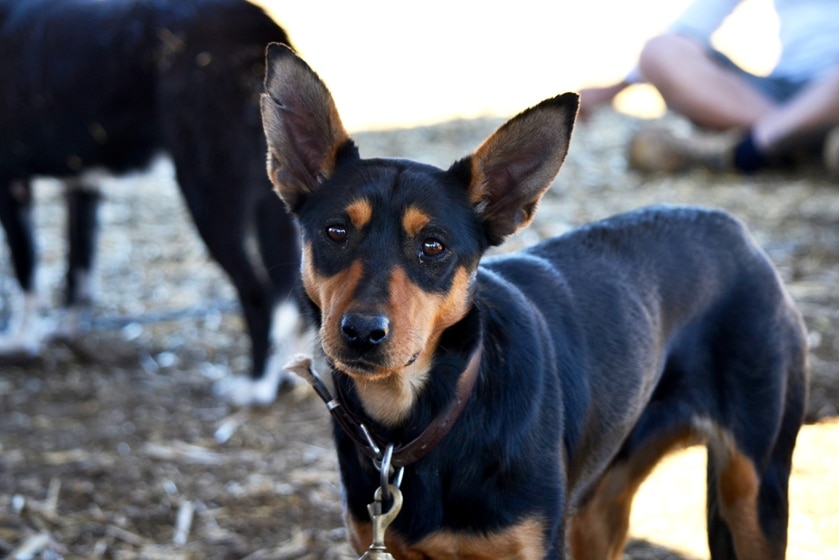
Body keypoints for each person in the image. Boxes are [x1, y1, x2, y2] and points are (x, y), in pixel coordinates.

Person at [579, 0, 839, 175]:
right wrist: (615, 89)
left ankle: (746, 149)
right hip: (783, 92)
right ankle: (801, 138)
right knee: (661, 51)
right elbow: (692, 24)